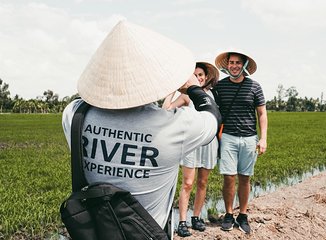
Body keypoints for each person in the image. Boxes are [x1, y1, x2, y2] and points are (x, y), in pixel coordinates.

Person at [61, 19, 221, 240]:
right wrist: (193, 87)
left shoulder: (74, 115)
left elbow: (85, 99)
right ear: (153, 77)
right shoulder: (174, 127)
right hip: (147, 234)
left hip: (94, 231)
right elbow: (212, 118)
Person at [212, 51, 268, 234]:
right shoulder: (220, 87)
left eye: (237, 63)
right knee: (228, 176)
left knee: (245, 177)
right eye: (231, 63)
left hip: (249, 138)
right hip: (227, 137)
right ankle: (228, 214)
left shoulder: (254, 87)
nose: (234, 66)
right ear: (226, 65)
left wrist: (263, 138)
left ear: (244, 66)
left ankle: (242, 215)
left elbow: (262, 114)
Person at [162, 62, 219, 237]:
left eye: (201, 75)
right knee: (187, 183)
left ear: (206, 77)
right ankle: (182, 221)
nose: (198, 78)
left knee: (203, 182)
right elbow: (166, 109)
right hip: (191, 144)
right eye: (195, 75)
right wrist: (172, 88)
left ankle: (196, 217)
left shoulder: (212, 95)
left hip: (209, 143)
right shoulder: (186, 96)